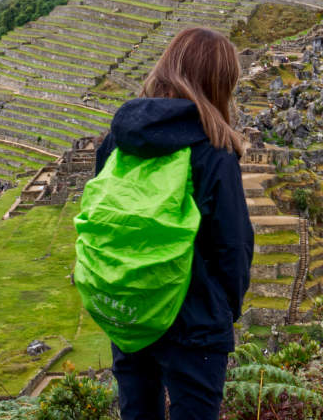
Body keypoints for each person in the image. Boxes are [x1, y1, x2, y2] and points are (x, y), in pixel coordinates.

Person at [94, 27, 253, 420]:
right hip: (194, 321)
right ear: (219, 85)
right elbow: (233, 248)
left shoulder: (118, 141)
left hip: (131, 309)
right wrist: (221, 311)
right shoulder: (214, 151)